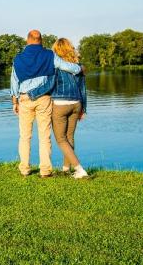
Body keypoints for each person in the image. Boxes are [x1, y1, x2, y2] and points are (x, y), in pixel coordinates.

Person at [10, 30, 82, 177]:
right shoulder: (49, 55)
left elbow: (14, 81)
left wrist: (15, 101)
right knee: (44, 136)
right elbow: (66, 67)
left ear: (28, 40)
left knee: (25, 136)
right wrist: (79, 68)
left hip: (24, 99)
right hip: (44, 99)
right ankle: (45, 171)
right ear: (41, 40)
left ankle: (24, 169)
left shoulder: (18, 59)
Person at [30, 38, 88, 179]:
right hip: (76, 104)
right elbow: (83, 89)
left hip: (60, 105)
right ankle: (66, 169)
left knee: (61, 139)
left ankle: (80, 170)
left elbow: (49, 85)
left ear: (56, 50)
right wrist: (83, 108)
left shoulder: (55, 66)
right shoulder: (78, 66)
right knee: (69, 137)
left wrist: (33, 94)